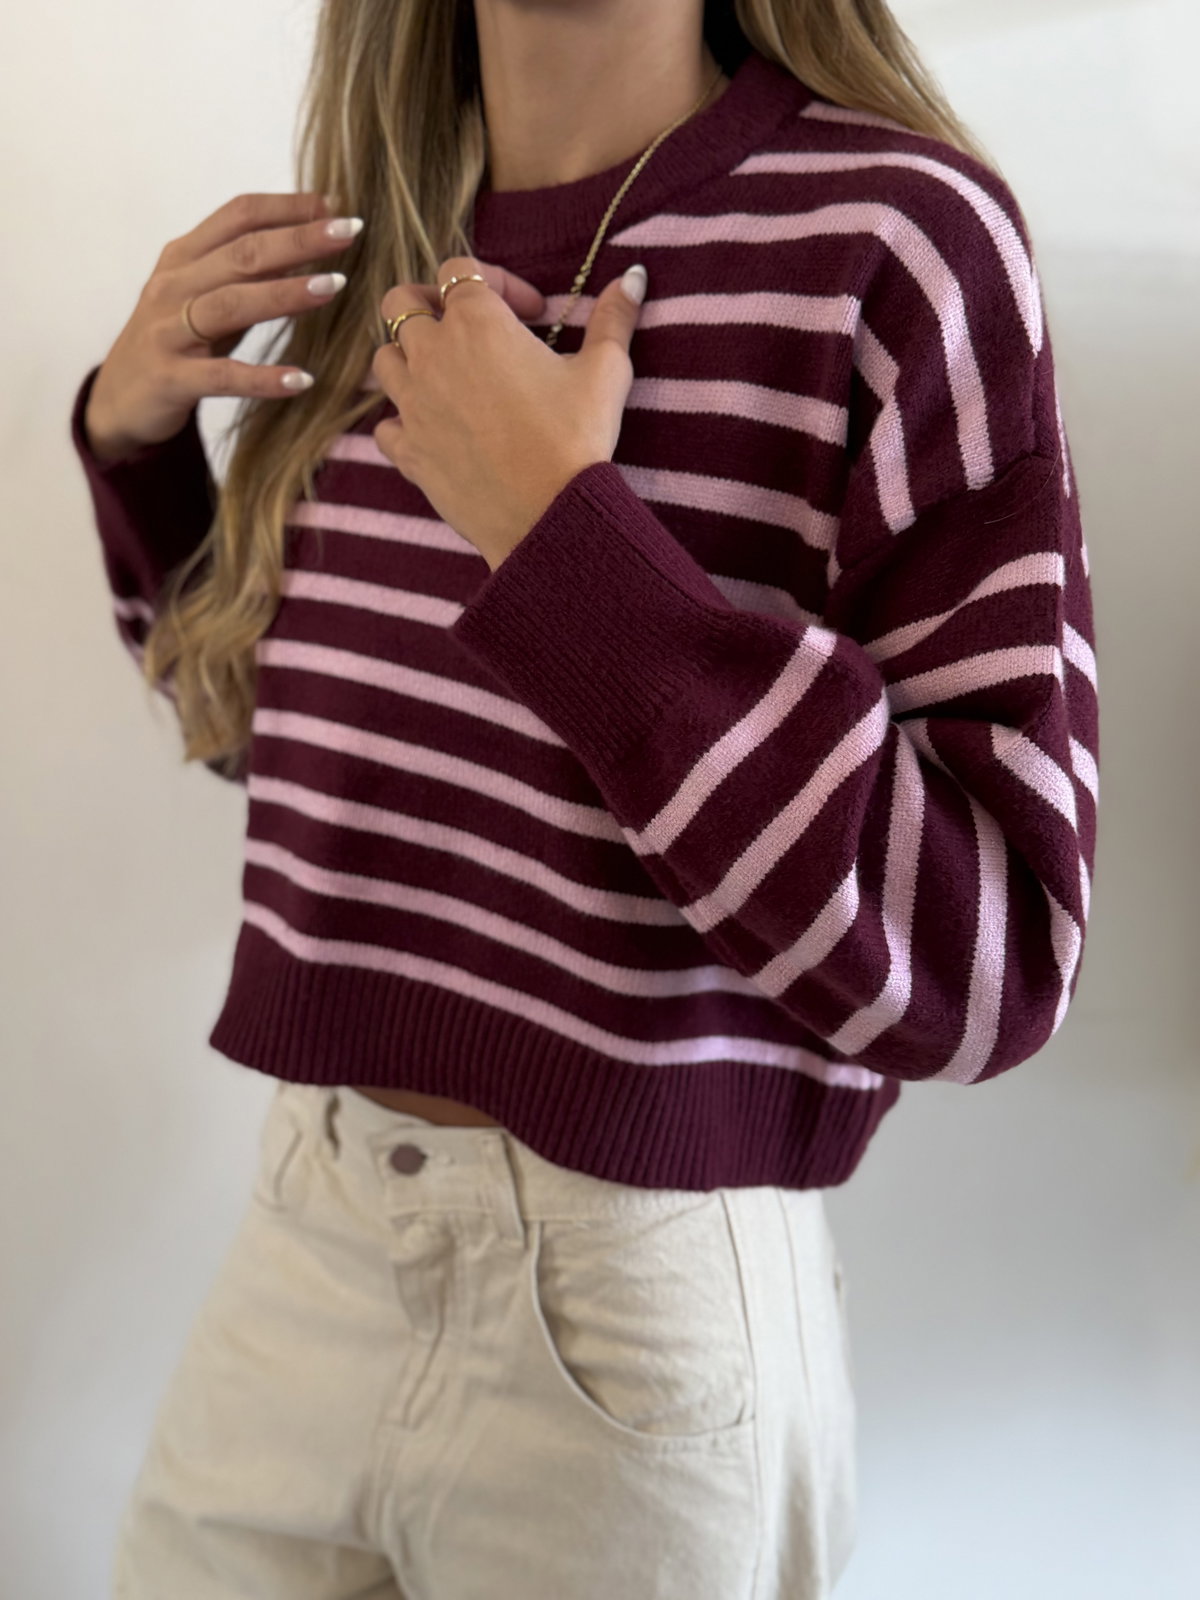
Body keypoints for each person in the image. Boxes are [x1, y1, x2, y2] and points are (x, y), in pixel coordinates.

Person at [72, 0, 1099, 1595]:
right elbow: (291, 754)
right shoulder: (371, 257)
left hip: (636, 1313)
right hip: (307, 1233)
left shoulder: (900, 244)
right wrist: (135, 451)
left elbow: (992, 962)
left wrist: (564, 543)